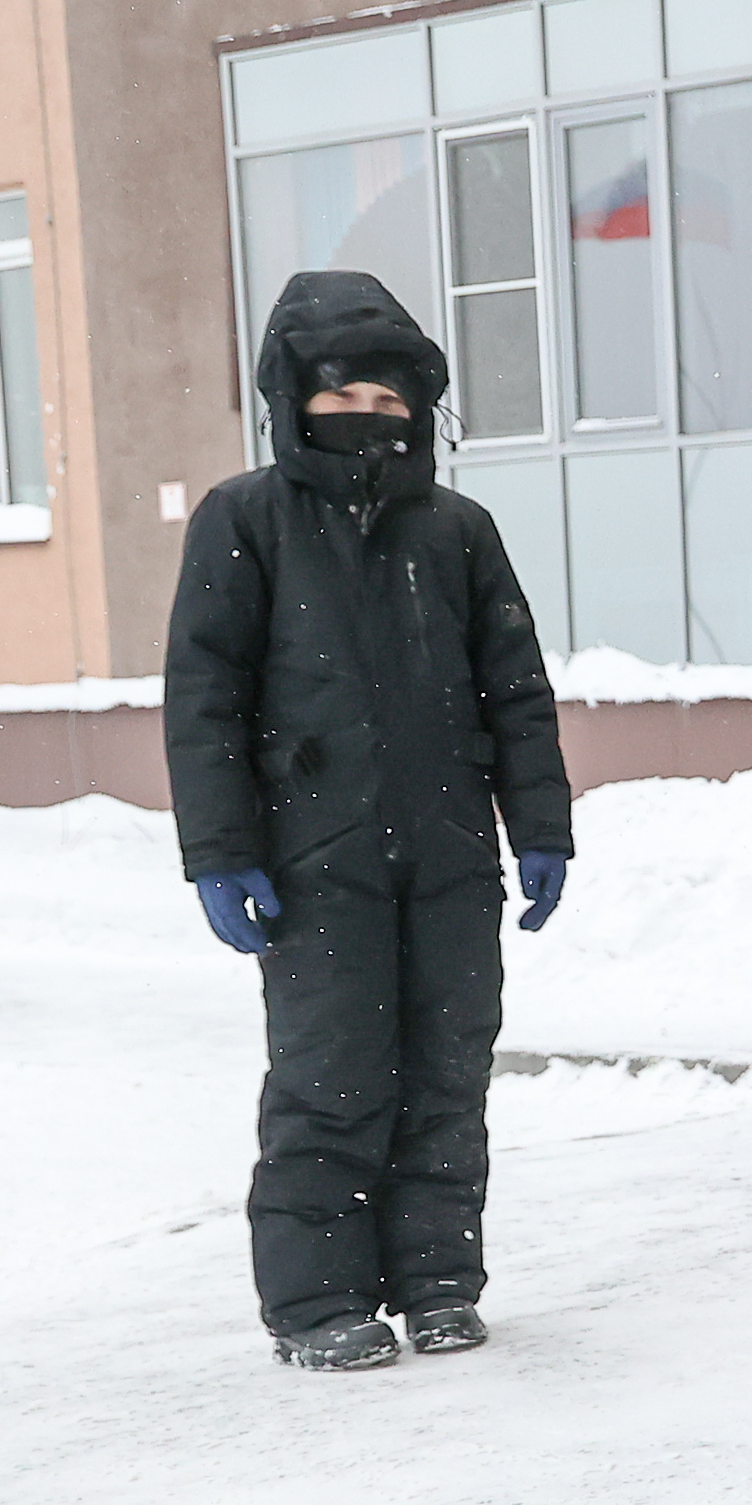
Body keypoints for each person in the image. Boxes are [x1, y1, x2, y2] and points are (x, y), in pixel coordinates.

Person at [165, 272, 570, 1373]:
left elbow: (515, 689)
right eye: (346, 392)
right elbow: (203, 698)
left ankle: (438, 1277)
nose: (371, 416)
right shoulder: (243, 520)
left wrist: (540, 825)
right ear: (293, 396)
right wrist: (222, 851)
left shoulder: (458, 530)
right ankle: (316, 1300)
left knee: (449, 1066)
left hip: (448, 850)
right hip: (313, 857)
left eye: (394, 399)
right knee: (333, 1075)